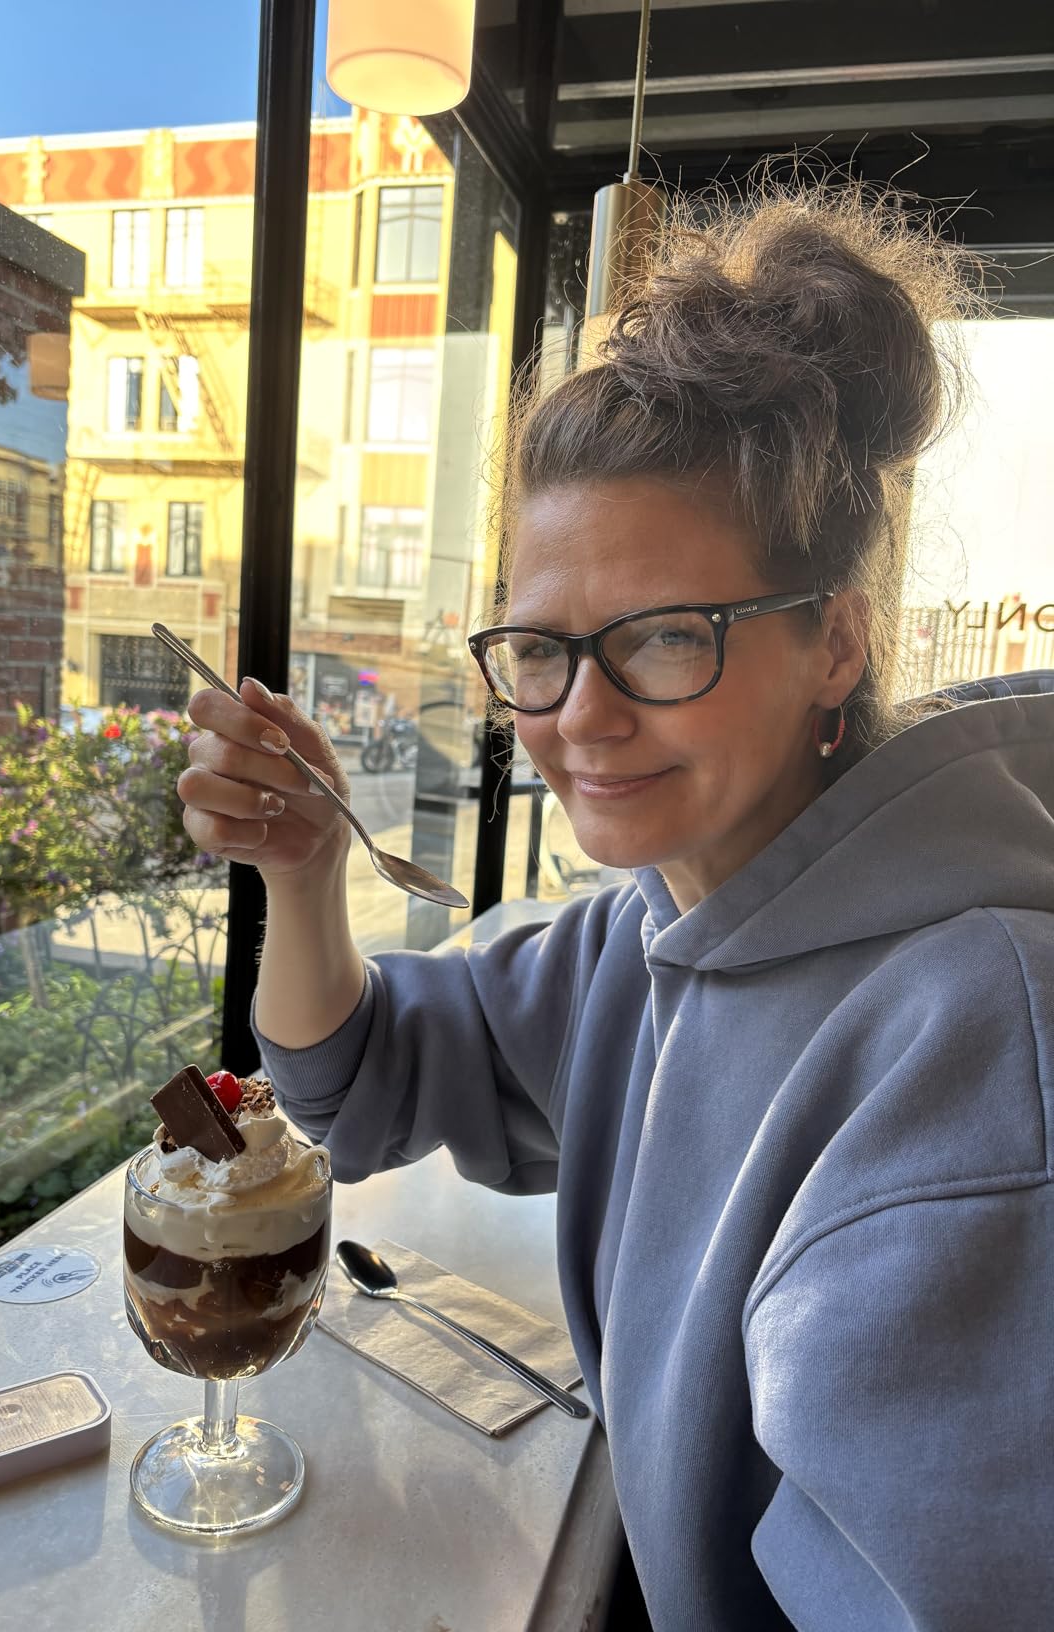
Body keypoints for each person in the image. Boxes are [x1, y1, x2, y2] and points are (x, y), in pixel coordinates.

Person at [176, 179, 1054, 1631]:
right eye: (539, 646)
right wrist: (305, 870)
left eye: (663, 638)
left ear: (837, 641)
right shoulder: (650, 931)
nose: (580, 714)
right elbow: (360, 1081)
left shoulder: (972, 1065)